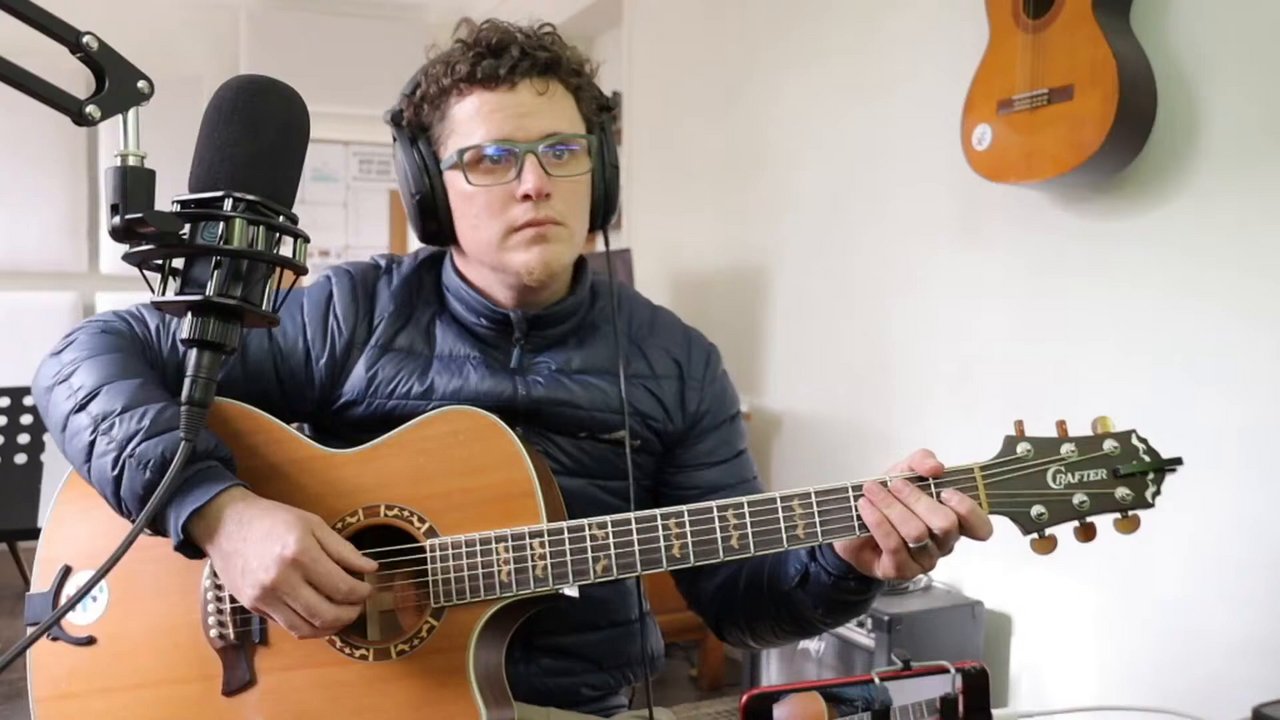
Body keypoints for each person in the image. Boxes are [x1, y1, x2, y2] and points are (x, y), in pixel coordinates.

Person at [31, 17, 993, 720]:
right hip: (346, 699)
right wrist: (221, 513)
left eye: (560, 151)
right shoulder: (350, 311)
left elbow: (739, 602)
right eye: (490, 158)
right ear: (434, 194)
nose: (534, 182)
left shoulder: (677, 360)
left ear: (598, 172)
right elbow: (82, 362)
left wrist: (845, 566)